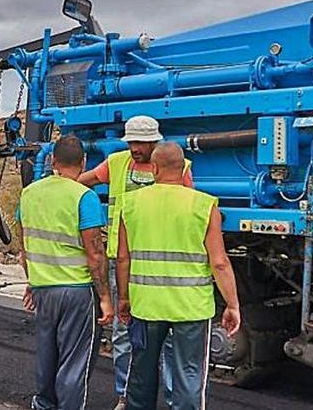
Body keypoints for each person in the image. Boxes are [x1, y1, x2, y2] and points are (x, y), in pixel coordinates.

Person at [78, 116, 192, 409]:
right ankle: (124, 396)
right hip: (122, 260)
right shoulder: (116, 163)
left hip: (160, 261)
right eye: (131, 142)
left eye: (141, 143)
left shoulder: (179, 167)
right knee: (123, 332)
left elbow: (186, 208)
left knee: (166, 338)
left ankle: (169, 397)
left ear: (155, 142)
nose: (135, 148)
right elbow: (84, 181)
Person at [115, 143, 240, 410]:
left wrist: (123, 298)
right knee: (190, 376)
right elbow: (219, 262)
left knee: (141, 376)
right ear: (184, 168)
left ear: (154, 168)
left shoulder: (131, 203)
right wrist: (232, 305)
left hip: (145, 305)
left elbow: (123, 258)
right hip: (191, 309)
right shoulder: (204, 205)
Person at [18, 134, 113, 410]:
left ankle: (43, 405)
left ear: (53, 161)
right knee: (74, 363)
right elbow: (95, 253)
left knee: (47, 358)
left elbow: (26, 246)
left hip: (43, 290)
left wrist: (33, 282)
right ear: (83, 163)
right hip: (77, 292)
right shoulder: (85, 197)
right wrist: (105, 297)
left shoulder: (29, 193)